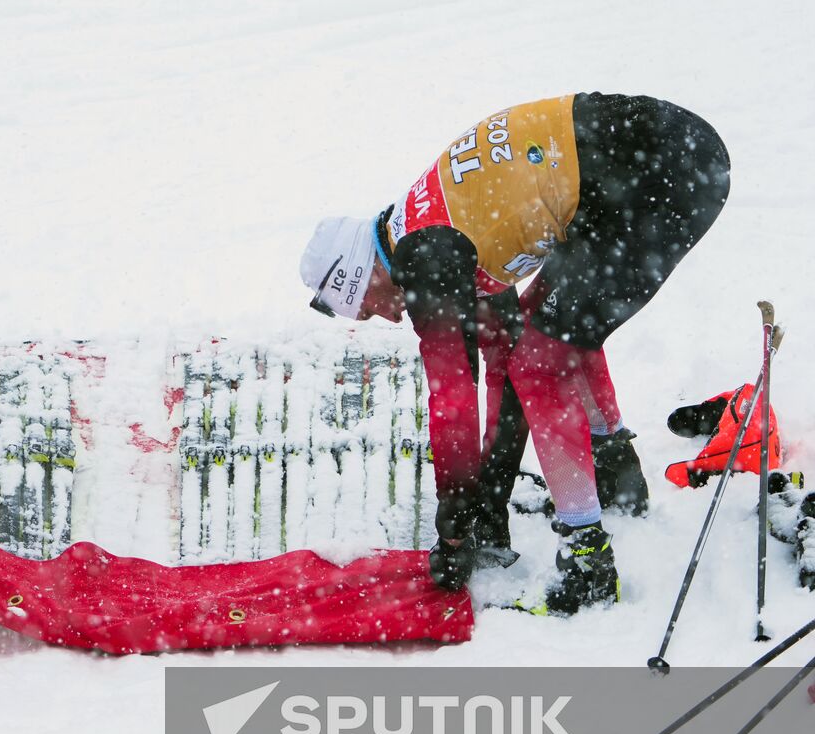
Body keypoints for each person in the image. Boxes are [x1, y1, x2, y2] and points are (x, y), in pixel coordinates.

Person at [300, 93, 730, 614]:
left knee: (542, 358)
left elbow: (452, 406)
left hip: (661, 172)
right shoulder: (429, 230)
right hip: (662, 159)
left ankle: (587, 557)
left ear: (359, 275)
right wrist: (487, 505)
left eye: (365, 308)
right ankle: (618, 478)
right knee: (544, 323)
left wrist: (454, 533)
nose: (379, 318)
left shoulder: (426, 256)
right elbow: (502, 359)